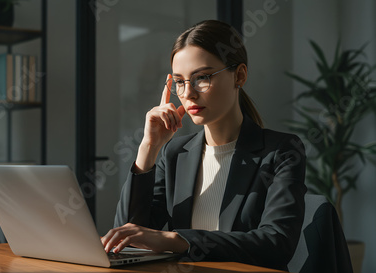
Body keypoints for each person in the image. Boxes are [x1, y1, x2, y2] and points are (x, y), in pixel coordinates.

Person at [101, 20, 307, 271]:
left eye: (202, 78)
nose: (188, 93)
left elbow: (276, 244)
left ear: (239, 75)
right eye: (179, 81)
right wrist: (149, 148)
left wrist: (177, 240)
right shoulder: (175, 153)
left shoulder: (281, 151)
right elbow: (128, 238)